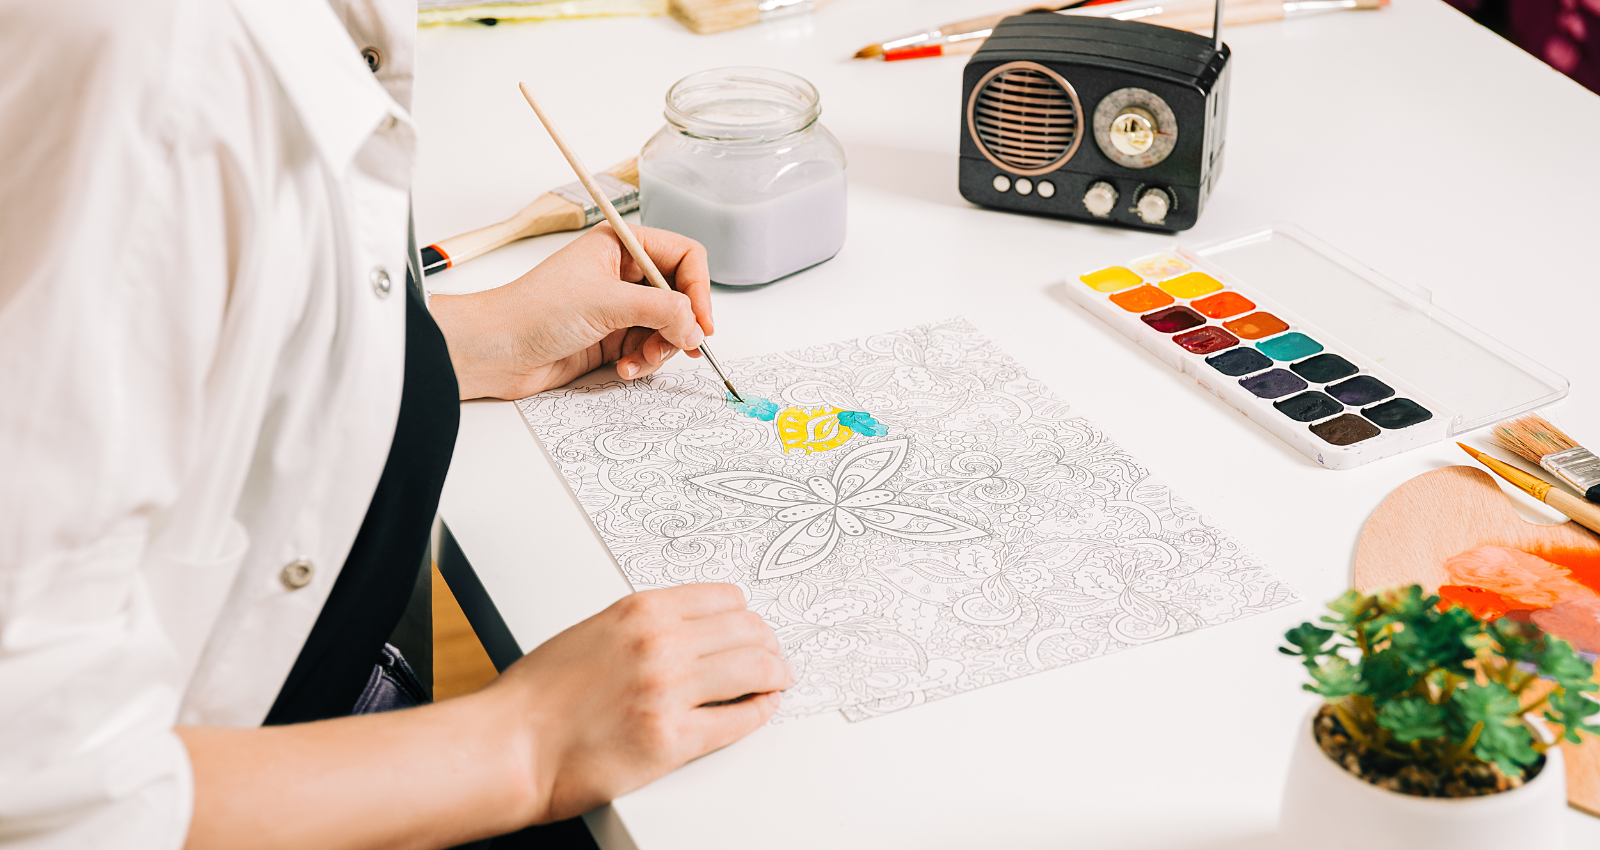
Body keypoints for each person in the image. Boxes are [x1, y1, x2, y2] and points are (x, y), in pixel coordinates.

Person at [0, 0, 790, 847]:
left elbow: (153, 350)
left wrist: (470, 340)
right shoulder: (155, 70)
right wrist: (527, 742)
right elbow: (46, 790)